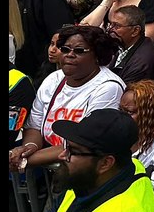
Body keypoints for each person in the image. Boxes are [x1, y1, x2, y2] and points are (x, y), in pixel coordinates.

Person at [13, 108, 154, 212]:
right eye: (66, 146)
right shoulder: (100, 176)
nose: (62, 155)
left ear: (106, 163)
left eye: (73, 151)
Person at [10, 25, 126, 171]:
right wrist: (28, 148)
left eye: (79, 51)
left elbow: (84, 143)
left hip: (82, 170)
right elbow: (34, 125)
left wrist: (25, 160)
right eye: (65, 49)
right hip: (48, 164)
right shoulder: (54, 79)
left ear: (97, 55)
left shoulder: (109, 87)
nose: (69, 55)